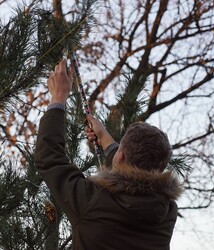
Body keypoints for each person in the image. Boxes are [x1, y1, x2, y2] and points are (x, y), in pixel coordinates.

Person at [34, 59, 183, 250]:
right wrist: (106, 140)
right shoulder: (167, 213)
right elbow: (135, 180)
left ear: (120, 157)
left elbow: (49, 158)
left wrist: (58, 97)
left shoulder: (92, 202)